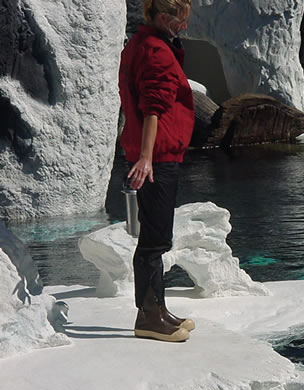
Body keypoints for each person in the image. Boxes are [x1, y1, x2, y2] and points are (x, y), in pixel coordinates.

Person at [118, 0, 195, 342]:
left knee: (155, 233)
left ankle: (157, 309)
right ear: (164, 18)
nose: (184, 27)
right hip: (158, 156)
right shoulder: (157, 52)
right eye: (181, 21)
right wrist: (146, 158)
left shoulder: (141, 43)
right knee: (155, 239)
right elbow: (153, 107)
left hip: (155, 152)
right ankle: (149, 317)